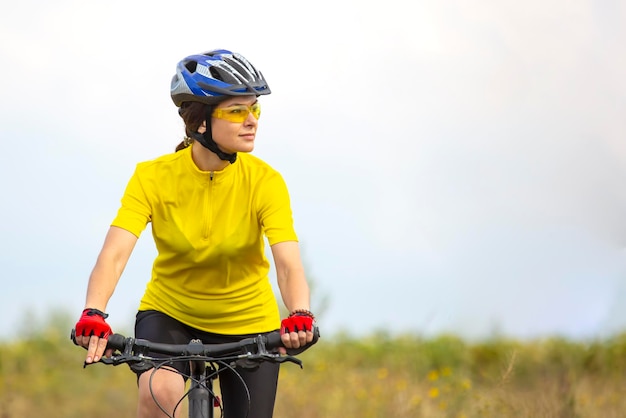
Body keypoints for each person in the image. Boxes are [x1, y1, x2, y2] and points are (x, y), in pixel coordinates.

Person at [73, 49, 317, 418]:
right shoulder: (152, 177)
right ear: (200, 121)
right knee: (159, 392)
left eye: (255, 109)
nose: (252, 120)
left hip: (249, 323)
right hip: (171, 316)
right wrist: (94, 311)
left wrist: (300, 312)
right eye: (237, 111)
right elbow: (115, 254)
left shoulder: (266, 181)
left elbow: (287, 263)